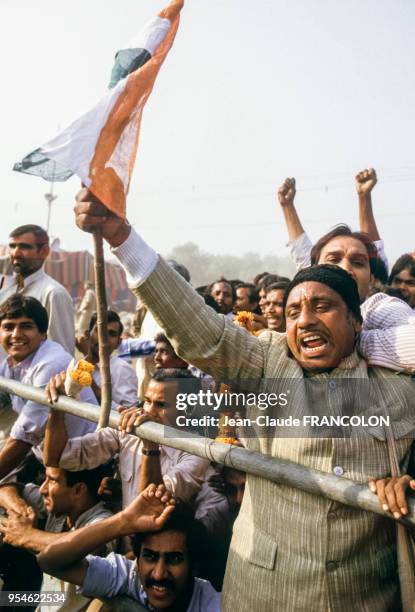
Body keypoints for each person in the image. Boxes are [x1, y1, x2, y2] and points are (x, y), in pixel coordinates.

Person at [73, 190, 415, 610]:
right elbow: (201, 329)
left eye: (322, 307)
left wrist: (406, 483)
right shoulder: (270, 360)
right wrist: (122, 237)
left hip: (363, 597)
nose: (305, 319)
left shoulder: (398, 380)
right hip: (263, 590)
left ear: (356, 320)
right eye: (293, 312)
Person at [277, 174, 415, 372]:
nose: (346, 267)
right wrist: (287, 207)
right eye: (333, 260)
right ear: (312, 271)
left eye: (358, 263)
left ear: (372, 279)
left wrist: (349, 340)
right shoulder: (294, 325)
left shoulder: (379, 308)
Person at [45, 369, 215, 510]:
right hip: (124, 544)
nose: (149, 411)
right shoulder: (130, 428)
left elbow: (150, 507)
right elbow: (58, 458)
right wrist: (57, 406)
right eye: (147, 401)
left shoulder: (197, 451)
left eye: (161, 405)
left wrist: (150, 445)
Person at [37, 484, 220, 611]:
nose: (158, 574)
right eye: (150, 557)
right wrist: (124, 521)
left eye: (174, 559)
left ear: (193, 565)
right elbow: (49, 561)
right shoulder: (129, 576)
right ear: (137, 559)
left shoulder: (215, 605)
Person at [0, 295, 96, 483]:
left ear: (43, 333)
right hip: (49, 458)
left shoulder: (50, 363)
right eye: (8, 327)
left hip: (82, 463)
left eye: (26, 326)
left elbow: (23, 438)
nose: (16, 334)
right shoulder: (9, 363)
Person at [0, 464, 114, 554]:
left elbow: (85, 544)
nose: (42, 490)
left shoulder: (104, 522)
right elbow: (5, 490)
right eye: (46, 479)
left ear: (78, 490)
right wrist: (21, 511)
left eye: (52, 481)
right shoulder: (60, 505)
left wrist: (27, 535)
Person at [0, 225, 75, 354]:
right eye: (12, 246)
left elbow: (61, 353)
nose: (16, 253)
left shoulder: (53, 293)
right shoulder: (6, 289)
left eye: (24, 247)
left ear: (44, 251)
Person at [78, 310, 138, 409]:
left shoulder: (121, 369)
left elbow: (128, 413)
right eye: (99, 331)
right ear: (88, 334)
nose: (104, 338)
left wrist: (86, 359)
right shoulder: (77, 364)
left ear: (118, 343)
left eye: (112, 334)